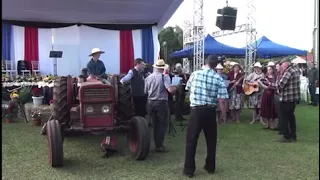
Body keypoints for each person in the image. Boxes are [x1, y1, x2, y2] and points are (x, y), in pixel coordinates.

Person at [183, 55, 228, 178]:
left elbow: (188, 89)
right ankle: (210, 167)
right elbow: (222, 100)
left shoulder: (195, 74)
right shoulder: (218, 78)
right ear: (215, 65)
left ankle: (189, 170)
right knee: (211, 140)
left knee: (191, 140)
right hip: (210, 111)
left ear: (206, 62)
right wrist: (223, 115)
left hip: (196, 110)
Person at [144, 59, 177, 152]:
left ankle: (154, 143)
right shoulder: (165, 77)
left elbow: (145, 91)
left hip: (150, 102)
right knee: (162, 124)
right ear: (162, 68)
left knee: (154, 124)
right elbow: (170, 90)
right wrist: (176, 87)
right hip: (161, 102)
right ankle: (159, 145)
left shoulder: (148, 77)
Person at [272, 60, 300, 142]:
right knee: (291, 118)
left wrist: (276, 82)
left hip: (286, 98)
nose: (281, 67)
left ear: (286, 64)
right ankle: (293, 136)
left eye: (282, 65)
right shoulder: (296, 70)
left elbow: (280, 85)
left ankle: (286, 136)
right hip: (293, 99)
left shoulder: (288, 71)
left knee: (284, 118)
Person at [258, 65, 278, 130]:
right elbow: (262, 86)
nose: (269, 71)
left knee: (272, 109)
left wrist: (268, 83)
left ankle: (273, 125)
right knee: (266, 108)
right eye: (268, 70)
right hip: (266, 94)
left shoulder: (275, 77)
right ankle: (267, 124)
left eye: (270, 69)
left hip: (272, 94)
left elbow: (275, 86)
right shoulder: (265, 77)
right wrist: (260, 83)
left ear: (273, 70)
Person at [273, 62, 282, 133]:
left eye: (278, 66)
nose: (277, 68)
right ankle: (279, 126)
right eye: (276, 67)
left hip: (281, 95)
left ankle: (282, 127)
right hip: (276, 94)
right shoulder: (276, 75)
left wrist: (270, 84)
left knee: (281, 111)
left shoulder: (282, 74)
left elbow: (278, 85)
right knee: (278, 111)